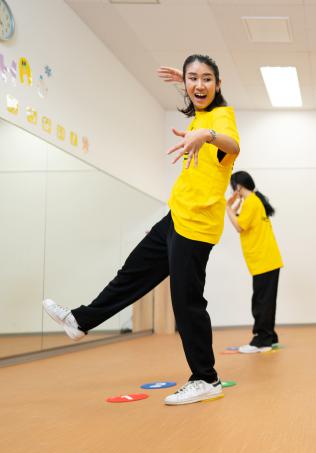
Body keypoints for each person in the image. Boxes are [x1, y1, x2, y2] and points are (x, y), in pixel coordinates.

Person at [42, 54, 240, 406]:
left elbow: (233, 145)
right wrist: (186, 84)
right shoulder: (200, 112)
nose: (199, 85)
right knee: (132, 274)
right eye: (193, 78)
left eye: (207, 79)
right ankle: (80, 321)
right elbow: (197, 99)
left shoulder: (221, 116)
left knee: (187, 302)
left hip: (196, 226)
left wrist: (206, 135)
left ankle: (207, 379)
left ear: (219, 84)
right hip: (175, 217)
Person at [225, 171, 283, 353]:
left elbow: (239, 226)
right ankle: (269, 337)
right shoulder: (254, 201)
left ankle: (261, 341)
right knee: (266, 300)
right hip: (268, 260)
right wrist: (234, 208)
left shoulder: (251, 202)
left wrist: (228, 208)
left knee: (261, 301)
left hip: (263, 260)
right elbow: (243, 221)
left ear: (238, 186)